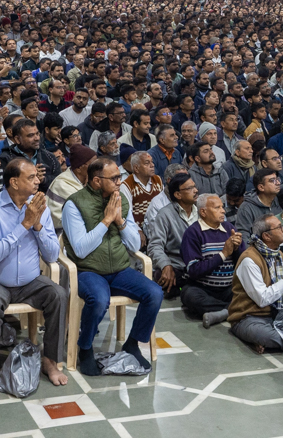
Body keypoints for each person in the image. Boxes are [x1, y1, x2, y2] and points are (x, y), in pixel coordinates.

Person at [62, 157, 163, 376]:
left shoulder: (121, 200)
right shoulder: (74, 204)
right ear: (97, 181)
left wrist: (120, 222)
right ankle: (85, 348)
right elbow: (80, 249)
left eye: (119, 177)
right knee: (99, 300)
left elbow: (135, 245)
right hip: (87, 270)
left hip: (119, 269)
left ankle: (132, 343)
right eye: (115, 178)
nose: (120, 182)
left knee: (154, 293)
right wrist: (106, 221)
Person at [0, 157, 68, 391]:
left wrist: (37, 226)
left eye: (37, 176)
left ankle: (50, 361)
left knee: (58, 295)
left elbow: (51, 255)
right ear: (14, 182)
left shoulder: (40, 207)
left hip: (30, 281)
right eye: (31, 177)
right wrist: (24, 224)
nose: (38, 181)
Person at [227, 214, 283, 354]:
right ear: (267, 236)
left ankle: (267, 342)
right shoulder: (249, 260)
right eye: (279, 227)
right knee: (267, 335)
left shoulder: (278, 255)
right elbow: (262, 299)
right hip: (249, 318)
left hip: (276, 312)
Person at [180, 193, 243, 327]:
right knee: (190, 296)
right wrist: (223, 254)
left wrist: (237, 249)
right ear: (203, 212)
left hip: (228, 288)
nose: (223, 211)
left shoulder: (229, 228)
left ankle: (222, 312)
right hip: (202, 288)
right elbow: (194, 270)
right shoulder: (193, 233)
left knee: (247, 294)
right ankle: (233, 310)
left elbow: (242, 263)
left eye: (222, 207)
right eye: (217, 208)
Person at [145, 172, 201, 296]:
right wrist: (166, 264)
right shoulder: (165, 214)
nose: (196, 190)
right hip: (178, 265)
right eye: (190, 188)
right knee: (163, 278)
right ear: (178, 194)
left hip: (200, 264)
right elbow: (155, 246)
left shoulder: (202, 211)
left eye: (194, 186)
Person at [45, 145, 97, 229]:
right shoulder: (62, 184)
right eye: (93, 165)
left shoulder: (89, 180)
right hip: (62, 231)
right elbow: (87, 214)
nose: (97, 169)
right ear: (79, 168)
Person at [234, 168, 282, 243]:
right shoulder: (246, 208)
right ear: (261, 187)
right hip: (257, 249)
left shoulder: (281, 201)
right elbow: (243, 236)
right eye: (272, 180)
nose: (278, 183)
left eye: (277, 179)